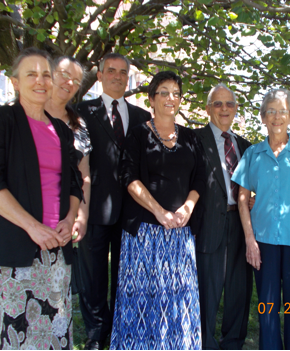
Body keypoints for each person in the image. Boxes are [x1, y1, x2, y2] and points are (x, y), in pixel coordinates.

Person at [0, 48, 83, 350]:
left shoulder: (61, 129)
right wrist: (32, 227)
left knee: (55, 332)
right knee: (15, 337)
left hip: (56, 250)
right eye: (31, 74)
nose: (40, 80)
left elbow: (75, 183)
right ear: (15, 82)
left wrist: (70, 218)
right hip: (14, 250)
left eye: (46, 74)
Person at [110, 71, 205, 350]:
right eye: (163, 92)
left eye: (175, 92)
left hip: (180, 232)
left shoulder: (191, 138)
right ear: (151, 99)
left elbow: (201, 178)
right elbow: (129, 178)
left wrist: (187, 207)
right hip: (145, 231)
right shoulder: (138, 135)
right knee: (143, 297)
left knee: (178, 295)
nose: (170, 98)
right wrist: (159, 212)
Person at [232, 89, 290, 350]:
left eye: (282, 111)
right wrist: (250, 241)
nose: (277, 116)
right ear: (263, 117)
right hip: (264, 244)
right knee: (268, 312)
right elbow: (242, 199)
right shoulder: (252, 154)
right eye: (271, 111)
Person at [76, 53, 151, 350]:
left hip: (131, 212)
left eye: (123, 72)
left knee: (125, 275)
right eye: (111, 71)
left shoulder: (142, 117)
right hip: (93, 208)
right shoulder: (81, 111)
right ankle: (96, 332)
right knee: (93, 276)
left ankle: (122, 325)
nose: (117, 76)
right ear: (99, 75)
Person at [194, 84, 253, 350]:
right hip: (207, 225)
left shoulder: (246, 147)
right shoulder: (194, 140)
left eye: (229, 104)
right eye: (217, 104)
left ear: (236, 109)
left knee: (239, 290)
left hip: (241, 226)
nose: (224, 109)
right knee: (207, 289)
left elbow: (257, 185)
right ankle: (205, 342)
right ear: (208, 109)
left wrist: (256, 198)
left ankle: (233, 343)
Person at [44, 56, 92, 245]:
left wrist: (82, 216)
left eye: (76, 81)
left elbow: (84, 175)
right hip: (20, 220)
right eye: (64, 74)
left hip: (63, 224)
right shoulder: (20, 114)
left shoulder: (79, 125)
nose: (69, 82)